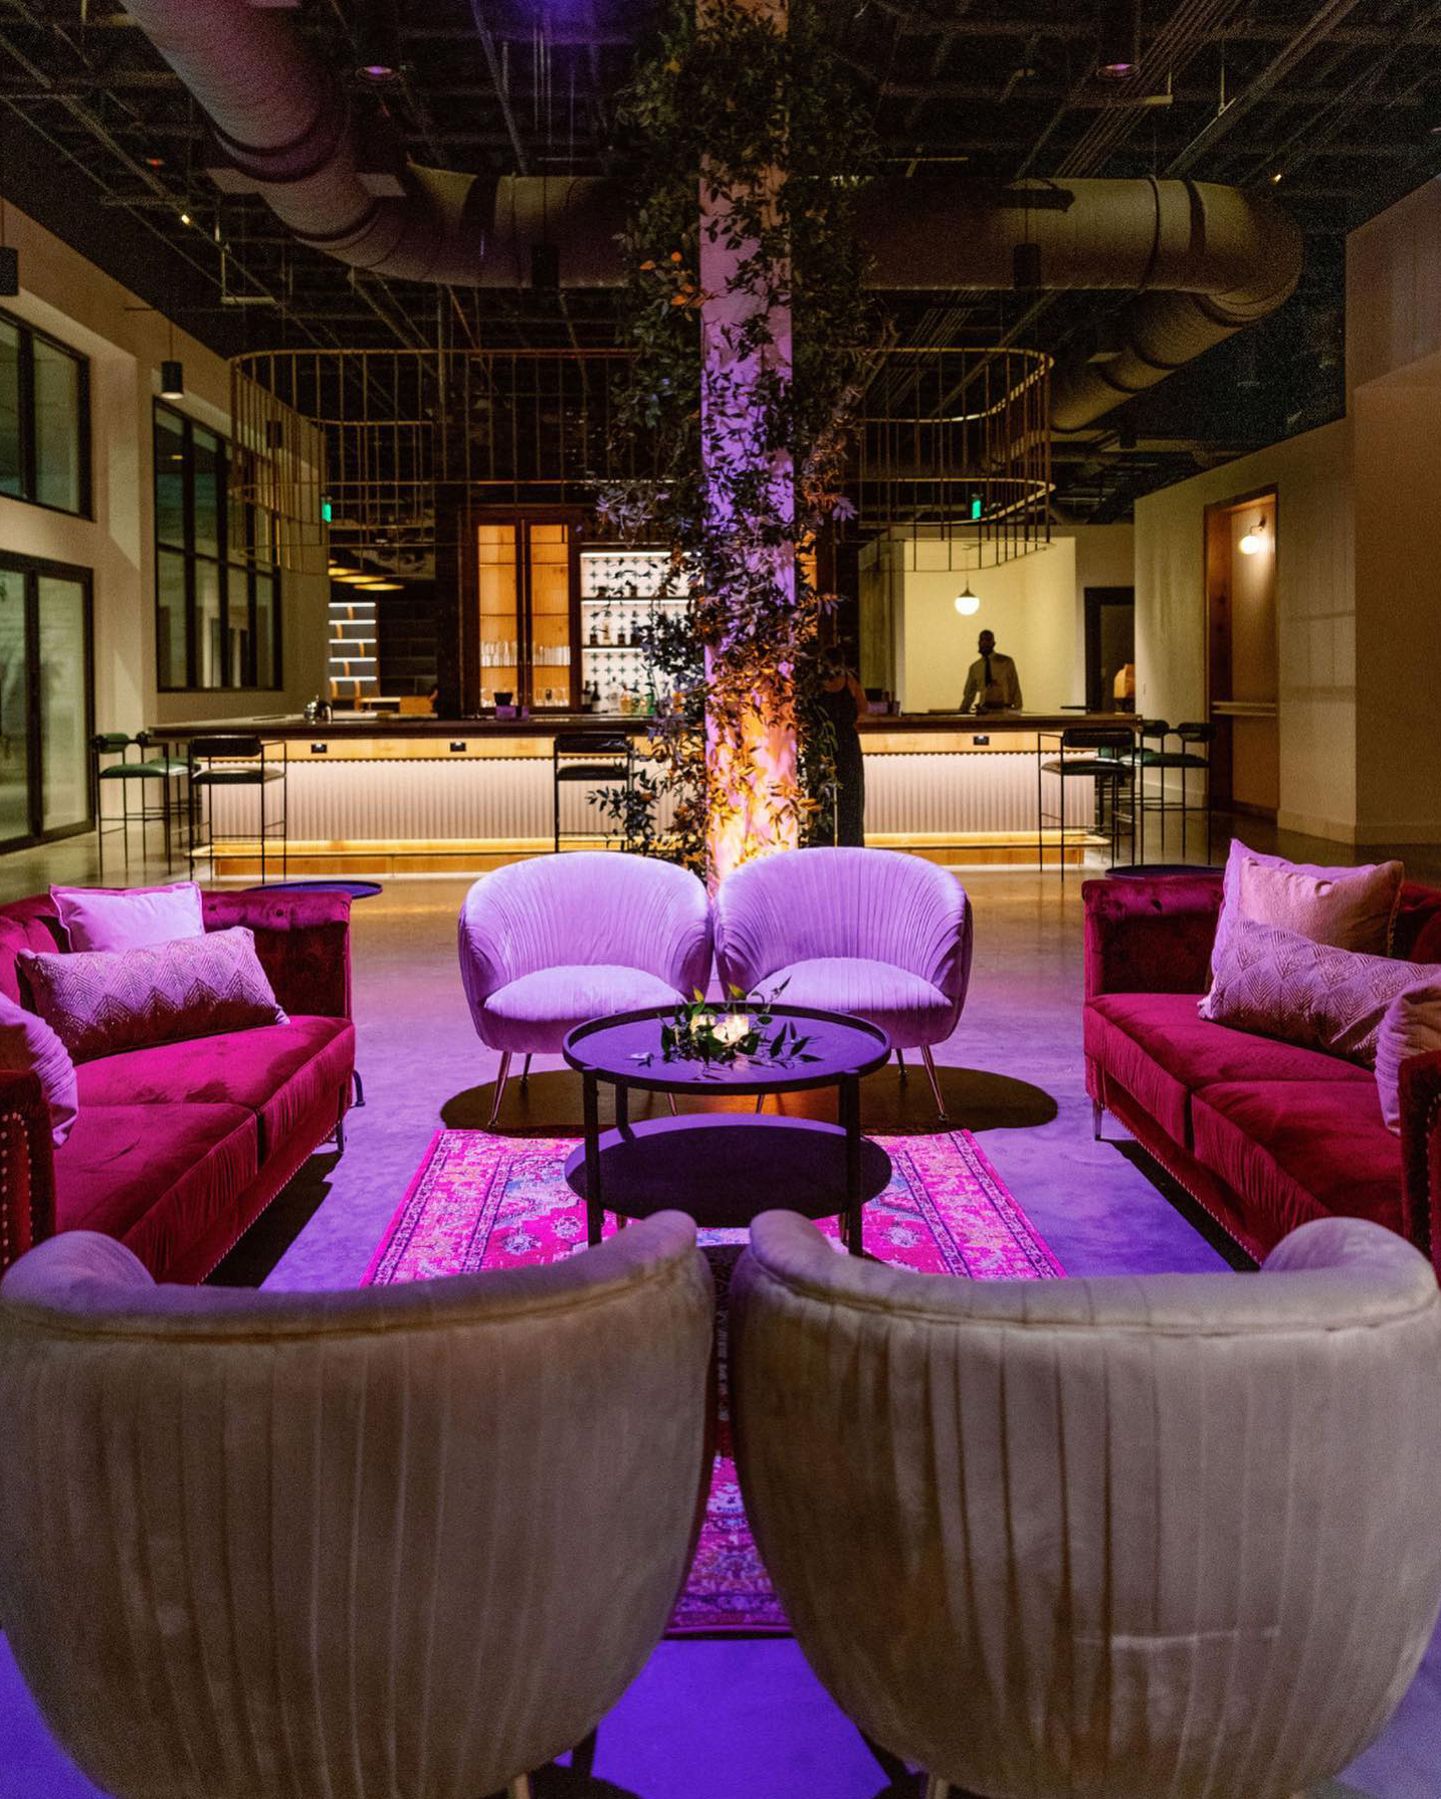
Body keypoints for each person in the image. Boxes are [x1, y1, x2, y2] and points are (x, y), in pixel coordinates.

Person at [815, 646, 867, 847]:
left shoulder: (817, 685)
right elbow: (864, 708)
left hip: (823, 744)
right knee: (851, 797)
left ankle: (822, 845)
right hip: (847, 743)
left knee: (822, 798)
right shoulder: (850, 682)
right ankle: (851, 846)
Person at [961, 629, 1023, 713]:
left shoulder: (1006, 662)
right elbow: (969, 693)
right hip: (983, 711)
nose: (984, 643)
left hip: (1004, 710)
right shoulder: (975, 667)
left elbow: (1015, 686)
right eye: (982, 640)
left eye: (988, 640)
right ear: (978, 643)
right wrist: (962, 712)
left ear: (993, 643)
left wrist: (1018, 710)